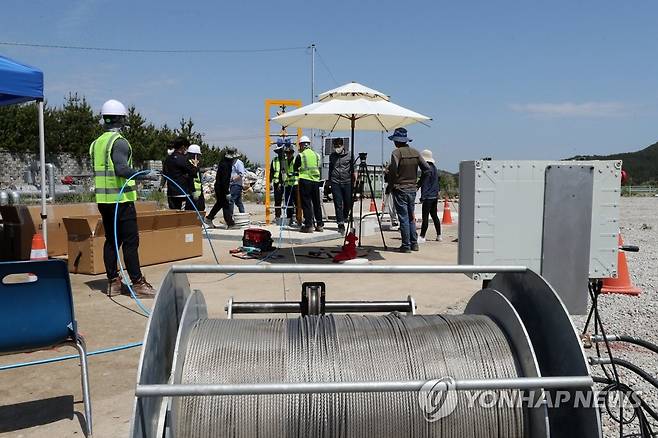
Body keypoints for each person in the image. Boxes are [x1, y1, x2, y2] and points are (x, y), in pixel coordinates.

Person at [89, 99, 158, 297]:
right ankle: (137, 283)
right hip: (121, 201)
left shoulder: (97, 144)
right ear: (122, 119)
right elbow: (120, 169)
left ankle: (113, 283)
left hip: (104, 201)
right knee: (130, 241)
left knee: (112, 240)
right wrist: (145, 175)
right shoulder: (119, 142)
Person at [385, 128, 430, 253]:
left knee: (403, 218)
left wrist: (390, 182)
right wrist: (418, 184)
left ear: (396, 141)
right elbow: (427, 170)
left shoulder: (396, 153)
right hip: (412, 189)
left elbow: (393, 172)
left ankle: (406, 245)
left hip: (400, 189)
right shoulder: (415, 152)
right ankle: (414, 243)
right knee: (411, 217)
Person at [294, 135, 323, 233]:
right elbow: (318, 166)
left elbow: (295, 168)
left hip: (305, 180)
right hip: (316, 181)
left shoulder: (301, 155)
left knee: (306, 203)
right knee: (316, 203)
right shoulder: (316, 155)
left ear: (301, 145)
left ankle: (308, 225)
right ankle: (319, 224)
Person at [204, 148, 236, 228]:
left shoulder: (224, 162)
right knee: (225, 204)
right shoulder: (226, 165)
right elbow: (224, 180)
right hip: (221, 187)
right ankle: (230, 223)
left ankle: (209, 218)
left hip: (219, 186)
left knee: (220, 204)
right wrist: (227, 192)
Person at [163, 136, 198, 210]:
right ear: (183, 147)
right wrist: (195, 165)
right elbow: (193, 173)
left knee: (173, 215)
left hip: (171, 192)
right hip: (182, 192)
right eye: (186, 147)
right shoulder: (183, 159)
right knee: (182, 217)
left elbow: (164, 174)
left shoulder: (168, 159)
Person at [417, 149, 442, 243]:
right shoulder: (434, 168)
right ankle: (439, 235)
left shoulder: (426, 169)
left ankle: (422, 236)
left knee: (425, 217)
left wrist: (422, 197)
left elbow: (425, 184)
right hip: (434, 196)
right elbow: (436, 183)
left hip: (428, 197)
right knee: (434, 216)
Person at [328, 138, 352, 234]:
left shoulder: (349, 155)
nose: (337, 148)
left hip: (347, 181)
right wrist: (329, 181)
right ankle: (340, 223)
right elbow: (330, 168)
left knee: (348, 202)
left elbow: (354, 168)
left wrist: (355, 179)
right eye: (335, 146)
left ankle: (345, 216)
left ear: (342, 146)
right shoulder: (332, 156)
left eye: (338, 146)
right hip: (335, 181)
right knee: (338, 203)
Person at [282, 143, 300, 227]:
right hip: (288, 185)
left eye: (290, 153)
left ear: (292, 153)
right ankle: (289, 219)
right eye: (287, 153)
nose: (288, 154)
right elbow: (283, 173)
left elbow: (299, 171)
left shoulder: (296, 160)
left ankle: (299, 219)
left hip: (295, 184)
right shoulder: (284, 162)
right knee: (288, 203)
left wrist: (294, 174)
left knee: (297, 203)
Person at [269, 140, 286, 221]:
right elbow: (271, 171)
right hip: (276, 184)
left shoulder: (286, 159)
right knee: (277, 201)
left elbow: (283, 172)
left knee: (288, 201)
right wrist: (269, 182)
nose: (279, 153)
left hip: (286, 183)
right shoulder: (275, 160)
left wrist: (281, 182)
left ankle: (289, 217)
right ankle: (278, 217)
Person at [187, 144, 205, 212]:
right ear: (195, 155)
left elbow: (199, 179)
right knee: (192, 211)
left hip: (199, 192)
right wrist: (193, 191)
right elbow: (190, 178)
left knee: (201, 208)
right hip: (192, 192)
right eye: (198, 155)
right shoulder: (189, 165)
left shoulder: (196, 165)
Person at [229, 149, 246, 215]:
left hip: (236, 185)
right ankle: (243, 215)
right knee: (238, 202)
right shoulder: (232, 163)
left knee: (231, 200)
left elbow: (241, 174)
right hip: (233, 184)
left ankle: (230, 217)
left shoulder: (238, 163)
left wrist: (233, 179)